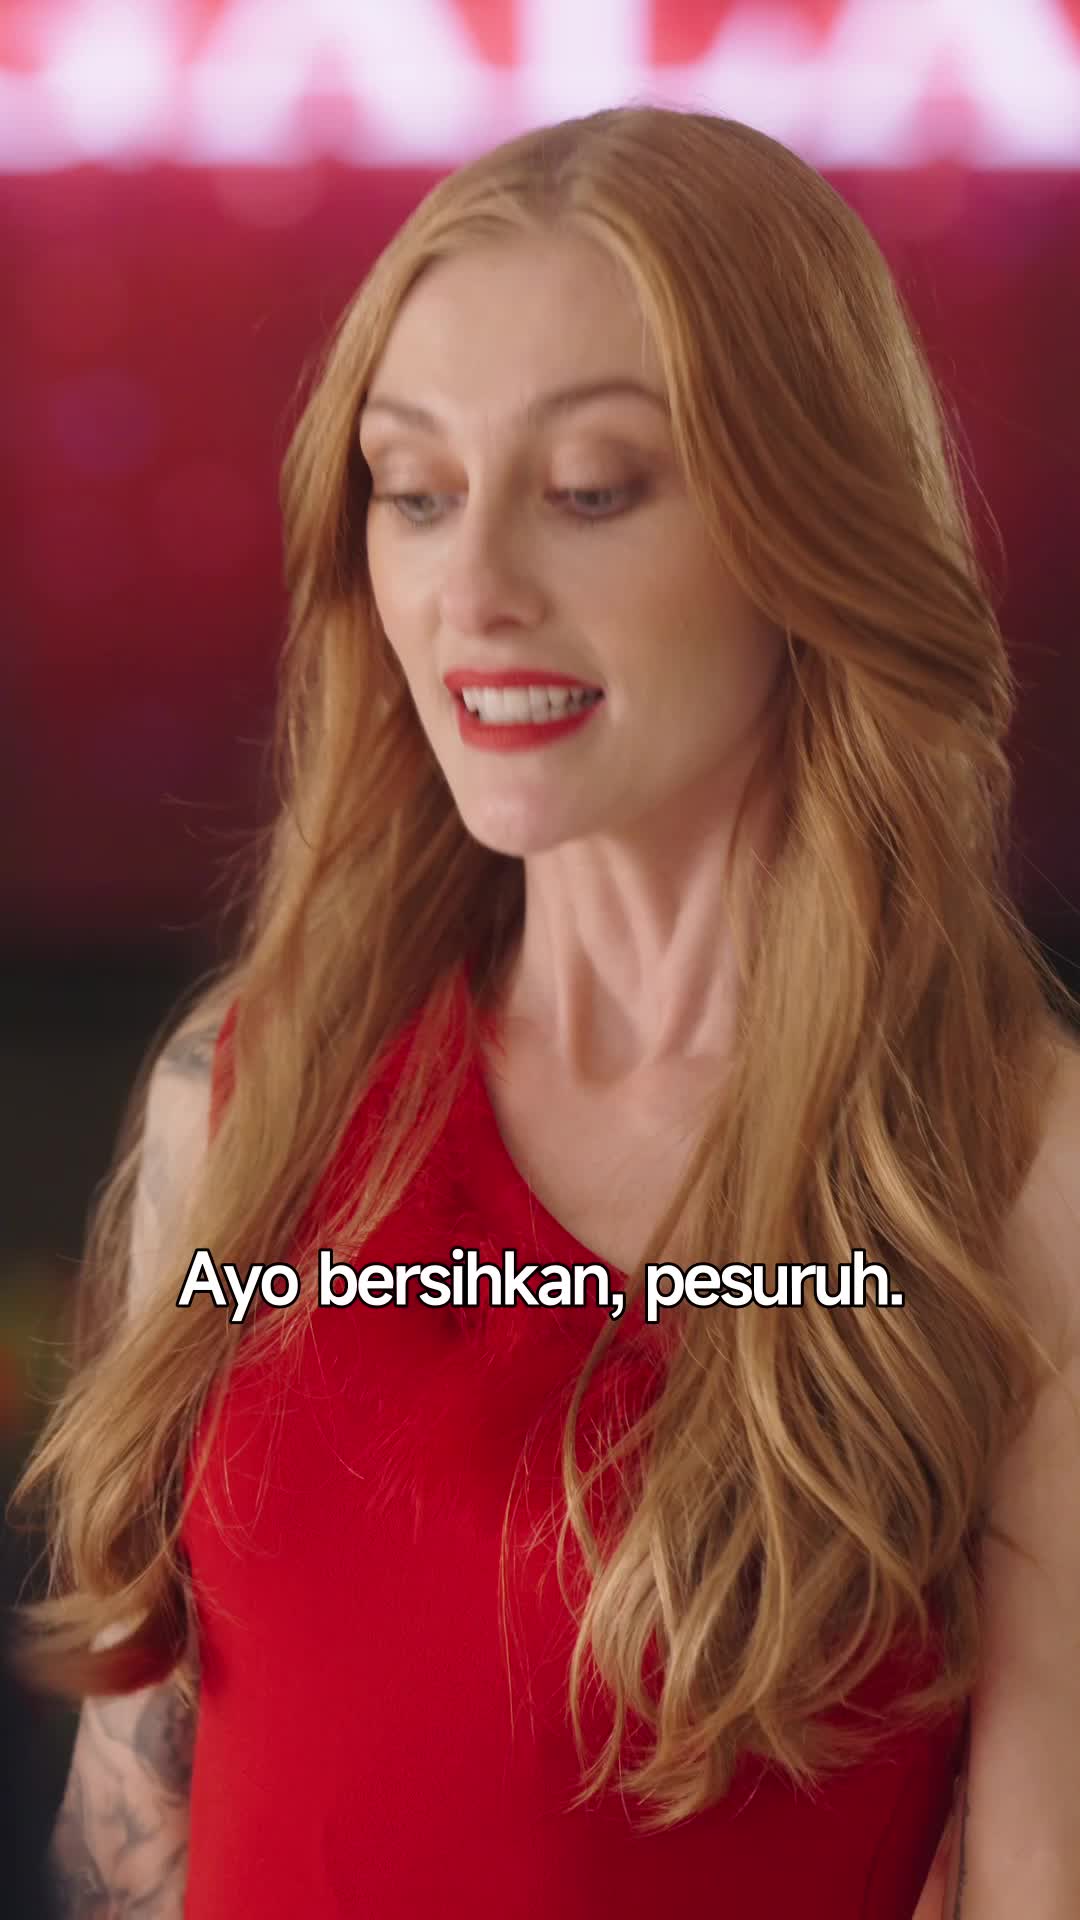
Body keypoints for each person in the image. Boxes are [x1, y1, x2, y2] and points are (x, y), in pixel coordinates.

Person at [8, 104, 1080, 1919]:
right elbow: (132, 1836)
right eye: (415, 492)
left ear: (811, 525)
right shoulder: (244, 1096)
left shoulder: (1012, 1177)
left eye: (591, 489)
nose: (474, 591)